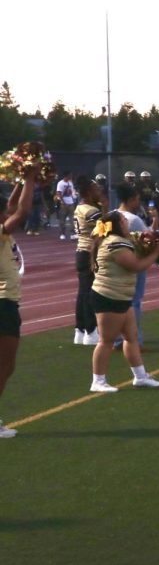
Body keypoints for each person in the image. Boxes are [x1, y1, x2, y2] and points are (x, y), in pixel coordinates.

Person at [87, 211, 159, 393]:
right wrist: (155, 253)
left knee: (131, 337)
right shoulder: (115, 243)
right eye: (124, 221)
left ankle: (140, 376)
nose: (126, 223)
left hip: (121, 296)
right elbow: (136, 266)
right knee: (106, 341)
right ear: (117, 225)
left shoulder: (116, 240)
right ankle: (98, 381)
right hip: (109, 296)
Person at [0, 167, 37, 437]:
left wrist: (22, 180)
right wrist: (32, 179)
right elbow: (21, 212)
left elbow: (14, 206)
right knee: (5, 365)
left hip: (6, 302)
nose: (7, 213)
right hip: (3, 304)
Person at [114, 183, 150, 347]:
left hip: (115, 264)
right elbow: (149, 239)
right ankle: (134, 339)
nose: (139, 203)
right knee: (134, 302)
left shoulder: (110, 216)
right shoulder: (133, 220)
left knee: (117, 302)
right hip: (133, 262)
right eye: (137, 200)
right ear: (130, 200)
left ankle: (117, 339)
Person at [72, 177, 106, 346]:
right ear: (88, 192)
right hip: (89, 253)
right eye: (95, 189)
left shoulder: (80, 207)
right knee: (89, 294)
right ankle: (91, 331)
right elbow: (106, 230)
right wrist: (105, 208)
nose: (99, 191)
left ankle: (80, 329)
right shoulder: (92, 211)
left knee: (82, 293)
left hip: (81, 251)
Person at [54, 170, 76, 239]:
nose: (71, 176)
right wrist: (63, 202)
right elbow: (59, 193)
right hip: (63, 204)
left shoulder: (70, 183)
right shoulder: (60, 183)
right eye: (70, 175)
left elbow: (72, 191)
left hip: (71, 203)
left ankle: (72, 233)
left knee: (72, 218)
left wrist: (74, 198)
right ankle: (62, 233)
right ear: (66, 176)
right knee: (62, 219)